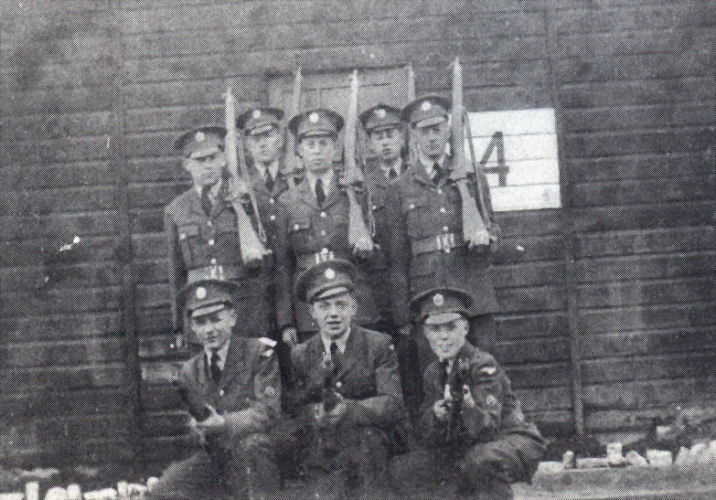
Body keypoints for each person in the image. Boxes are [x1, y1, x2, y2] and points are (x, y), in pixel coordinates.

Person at [390, 287, 545, 499]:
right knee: (404, 468)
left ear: (465, 328)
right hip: (466, 446)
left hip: (509, 439)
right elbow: (425, 432)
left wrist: (469, 407)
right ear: (426, 334)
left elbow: (490, 429)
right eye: (435, 330)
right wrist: (437, 415)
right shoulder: (433, 372)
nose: (443, 337)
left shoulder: (482, 365)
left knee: (480, 460)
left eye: (451, 328)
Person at [384, 95, 501, 365]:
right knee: (434, 373)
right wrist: (403, 315)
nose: (432, 138)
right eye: (424, 131)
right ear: (413, 135)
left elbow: (493, 227)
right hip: (428, 293)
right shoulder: (399, 188)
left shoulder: (471, 176)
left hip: (472, 289)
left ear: (448, 130)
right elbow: (398, 259)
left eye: (437, 129)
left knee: (483, 367)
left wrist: (486, 238)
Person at [149, 278, 281, 500]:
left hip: (256, 454)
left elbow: (268, 412)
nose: (209, 330)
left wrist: (223, 423)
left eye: (216, 320)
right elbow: (194, 428)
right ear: (192, 327)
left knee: (253, 447)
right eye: (200, 322)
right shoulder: (191, 370)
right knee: (164, 490)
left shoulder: (259, 353)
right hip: (217, 456)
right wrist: (198, 428)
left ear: (232, 318)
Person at [285, 259, 405, 498]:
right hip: (324, 442)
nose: (333, 314)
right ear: (312, 312)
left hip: (369, 440)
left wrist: (348, 410)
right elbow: (296, 408)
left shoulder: (378, 345)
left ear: (354, 308)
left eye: (341, 305)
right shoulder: (301, 354)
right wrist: (316, 413)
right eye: (324, 306)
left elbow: (392, 403)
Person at [274, 108, 381, 345]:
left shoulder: (356, 193)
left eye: (323, 143)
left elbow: (376, 257)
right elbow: (283, 267)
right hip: (309, 307)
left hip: (353, 302)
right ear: (300, 151)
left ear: (334, 148)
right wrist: (287, 321)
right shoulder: (287, 201)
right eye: (310, 144)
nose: (317, 150)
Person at [164, 126, 274, 341]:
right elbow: (176, 272)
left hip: (242, 308)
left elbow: (265, 265)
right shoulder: (176, 210)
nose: (207, 166)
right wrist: (179, 324)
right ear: (187, 165)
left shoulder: (247, 200)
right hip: (200, 311)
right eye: (199, 160)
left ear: (223, 159)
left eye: (212, 158)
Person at [359, 103, 421, 412]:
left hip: (415, 280)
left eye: (391, 134)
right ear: (370, 143)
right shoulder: (360, 185)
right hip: (377, 287)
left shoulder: (417, 175)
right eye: (378, 136)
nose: (385, 142)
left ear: (403, 137)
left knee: (417, 358)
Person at [237, 107, 299, 386]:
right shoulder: (238, 187)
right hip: (256, 299)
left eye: (268, 136)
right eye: (255, 138)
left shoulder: (297, 178)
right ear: (247, 145)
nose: (262, 144)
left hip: (295, 293)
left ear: (281, 139)